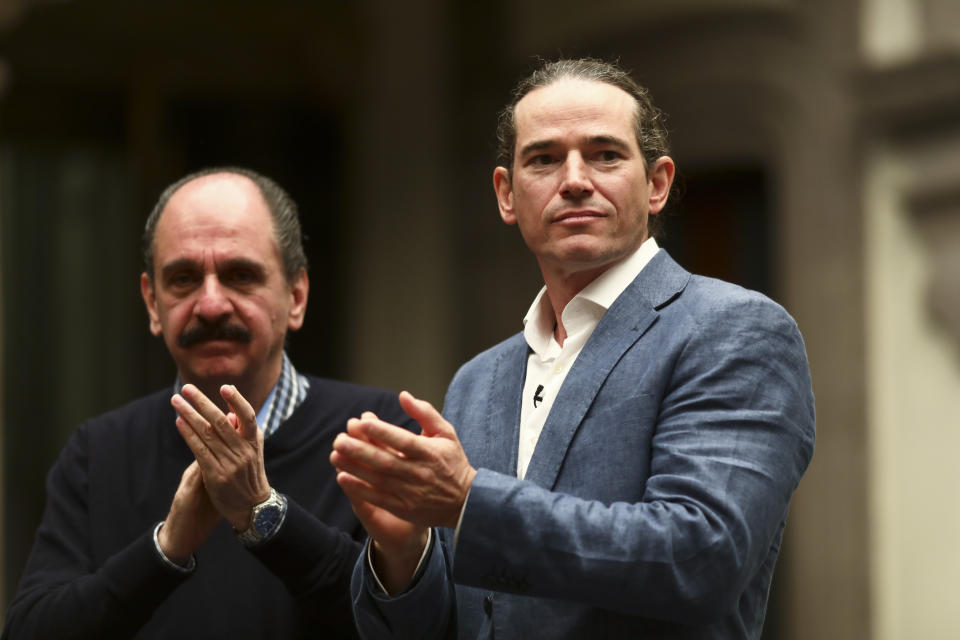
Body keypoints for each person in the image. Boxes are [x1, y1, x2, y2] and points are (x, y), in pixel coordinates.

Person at [330, 58, 816, 639]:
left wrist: (468, 502)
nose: (575, 179)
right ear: (507, 196)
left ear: (658, 184)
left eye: (606, 154)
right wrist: (403, 554)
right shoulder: (478, 380)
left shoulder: (733, 330)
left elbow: (699, 558)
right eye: (544, 158)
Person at [3, 167, 413, 639]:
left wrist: (265, 515)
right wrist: (166, 548)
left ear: (296, 296)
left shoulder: (379, 434)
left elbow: (413, 623)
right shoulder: (97, 454)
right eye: (183, 278)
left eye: (240, 275)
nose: (211, 304)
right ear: (152, 304)